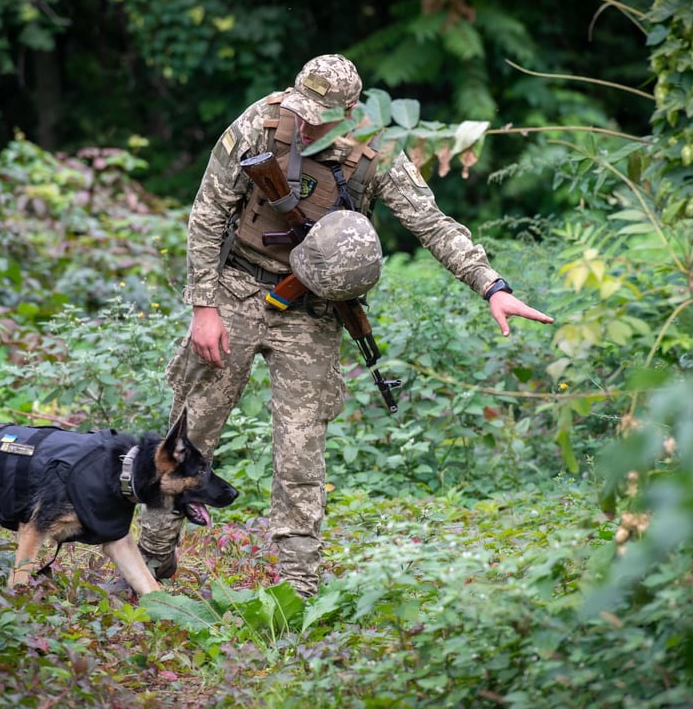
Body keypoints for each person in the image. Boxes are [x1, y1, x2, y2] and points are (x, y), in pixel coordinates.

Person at [137, 53, 555, 597]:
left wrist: (492, 287)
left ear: (351, 110)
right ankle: (151, 557)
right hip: (237, 289)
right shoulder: (260, 123)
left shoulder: (379, 150)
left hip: (311, 310)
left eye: (321, 115)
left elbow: (431, 224)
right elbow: (208, 212)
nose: (306, 122)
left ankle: (298, 587)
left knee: (301, 452)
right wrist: (204, 307)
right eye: (302, 109)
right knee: (190, 432)